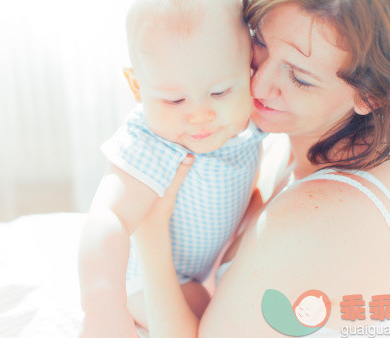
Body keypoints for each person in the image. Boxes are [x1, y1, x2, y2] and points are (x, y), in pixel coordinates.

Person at [132, 0, 390, 336]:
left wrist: (148, 229)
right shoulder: (288, 143)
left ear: (373, 95)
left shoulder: (316, 214)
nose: (257, 85)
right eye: (260, 41)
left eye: (300, 78)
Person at [77, 0, 265, 336]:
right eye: (174, 100)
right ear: (138, 88)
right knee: (213, 319)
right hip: (140, 280)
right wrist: (103, 310)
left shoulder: (248, 119)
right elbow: (107, 216)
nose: (199, 115)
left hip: (194, 269)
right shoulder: (153, 141)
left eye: (219, 91)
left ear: (250, 68)